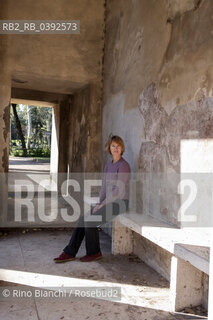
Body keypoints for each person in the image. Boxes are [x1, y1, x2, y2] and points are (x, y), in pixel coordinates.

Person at [54, 135, 131, 263]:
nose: (115, 148)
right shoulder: (108, 166)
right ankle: (69, 252)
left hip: (120, 203)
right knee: (83, 219)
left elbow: (119, 191)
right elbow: (105, 187)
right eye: (113, 146)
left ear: (122, 148)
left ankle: (94, 252)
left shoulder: (123, 166)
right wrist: (99, 202)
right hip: (108, 202)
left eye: (118, 146)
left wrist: (102, 205)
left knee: (91, 220)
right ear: (109, 148)